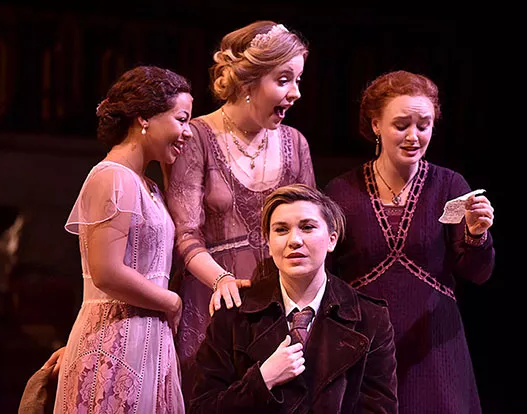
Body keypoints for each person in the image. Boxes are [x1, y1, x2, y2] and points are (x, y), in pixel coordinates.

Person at [324, 70, 495, 413]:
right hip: (365, 346)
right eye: (401, 125)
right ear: (376, 125)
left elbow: (478, 274)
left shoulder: (449, 186)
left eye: (424, 125)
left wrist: (477, 234)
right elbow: (324, 275)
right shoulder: (341, 192)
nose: (413, 137)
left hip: (434, 346)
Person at [162, 20, 316, 399]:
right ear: (249, 82)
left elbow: (311, 226)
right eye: (284, 80)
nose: (296, 92)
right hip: (214, 302)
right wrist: (221, 280)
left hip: (275, 303)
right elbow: (185, 232)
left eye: (298, 80)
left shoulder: (296, 143)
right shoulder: (197, 136)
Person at [53, 65, 192, 413]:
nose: (188, 132)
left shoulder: (149, 185)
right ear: (143, 118)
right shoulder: (113, 177)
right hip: (115, 338)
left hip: (146, 337)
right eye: (181, 119)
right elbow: (107, 272)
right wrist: (171, 301)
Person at [189, 183, 398, 413]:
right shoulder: (234, 314)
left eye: (307, 227)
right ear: (268, 243)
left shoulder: (370, 319)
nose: (294, 240)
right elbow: (201, 408)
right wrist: (262, 380)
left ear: (332, 239)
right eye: (281, 230)